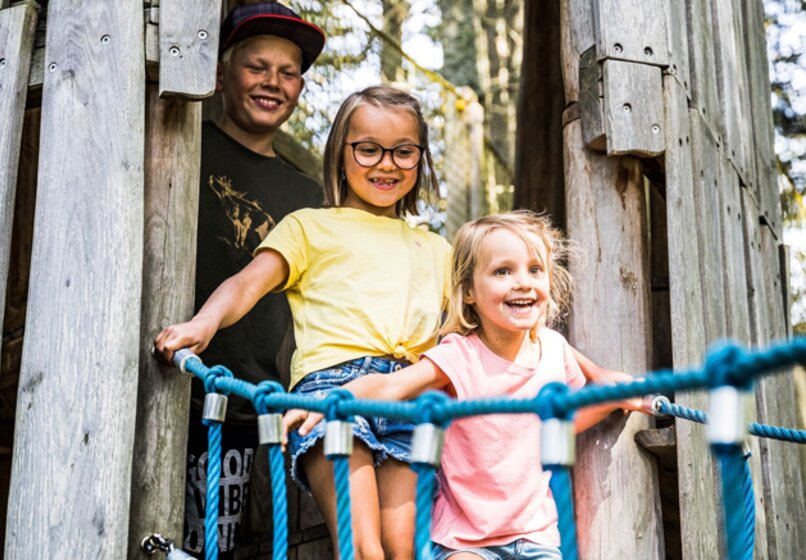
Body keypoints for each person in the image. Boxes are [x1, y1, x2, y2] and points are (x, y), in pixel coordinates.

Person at [155, 85, 451, 559]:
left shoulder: (437, 248)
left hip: (408, 395)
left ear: (421, 158)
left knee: (406, 550)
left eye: (403, 151)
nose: (387, 164)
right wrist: (202, 325)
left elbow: (462, 331)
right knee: (363, 549)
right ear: (341, 154)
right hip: (330, 393)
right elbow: (247, 284)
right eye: (369, 149)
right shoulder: (309, 226)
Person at [282, 211, 645, 560]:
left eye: (535, 269)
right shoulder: (459, 355)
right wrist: (330, 400)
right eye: (502, 271)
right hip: (465, 539)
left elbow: (561, 420)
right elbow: (391, 386)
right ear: (469, 291)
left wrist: (617, 397)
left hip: (536, 534)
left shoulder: (553, 349)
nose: (523, 281)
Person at [177, 3, 326, 556]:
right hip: (162, 378)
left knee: (211, 545)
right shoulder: (181, 147)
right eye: (256, 67)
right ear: (220, 75)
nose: (272, 82)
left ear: (300, 90)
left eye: (287, 73)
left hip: (241, 400)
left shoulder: (308, 195)